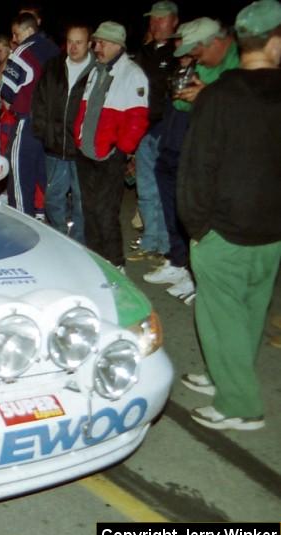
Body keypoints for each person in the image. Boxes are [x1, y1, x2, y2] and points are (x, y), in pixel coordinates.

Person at [177, 0, 281, 431]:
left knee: (221, 315)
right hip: (271, 232)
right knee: (248, 315)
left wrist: (198, 228)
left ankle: (240, 405)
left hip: (226, 230)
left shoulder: (219, 96)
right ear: (275, 43)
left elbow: (196, 168)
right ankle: (223, 370)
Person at [142, 18, 239, 302]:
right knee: (176, 208)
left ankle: (200, 281)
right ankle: (180, 264)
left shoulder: (237, 67)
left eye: (194, 50)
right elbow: (182, 102)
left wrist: (204, 96)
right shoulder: (202, 63)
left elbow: (239, 108)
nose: (191, 55)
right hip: (178, 145)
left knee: (199, 217)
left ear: (213, 43)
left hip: (210, 157)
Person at [74, 21, 149, 268]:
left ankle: (116, 265)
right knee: (90, 211)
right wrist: (79, 137)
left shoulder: (132, 74)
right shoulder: (97, 70)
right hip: (87, 152)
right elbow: (85, 109)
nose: (97, 47)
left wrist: (121, 150)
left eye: (102, 43)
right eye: (96, 42)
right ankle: (97, 262)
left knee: (106, 215)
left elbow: (138, 120)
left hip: (109, 156)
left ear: (117, 45)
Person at [32, 23, 94, 243]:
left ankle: (78, 242)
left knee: (81, 199)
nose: (73, 47)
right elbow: (39, 100)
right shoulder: (53, 66)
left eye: (79, 42)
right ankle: (60, 236)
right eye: (70, 41)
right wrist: (42, 130)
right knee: (53, 198)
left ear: (89, 44)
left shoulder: (98, 70)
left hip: (82, 150)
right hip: (55, 146)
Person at [128, 1, 179, 264]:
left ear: (174, 21)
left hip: (166, 132)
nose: (155, 24)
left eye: (161, 19)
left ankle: (168, 248)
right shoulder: (144, 52)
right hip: (142, 131)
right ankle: (151, 242)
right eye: (153, 19)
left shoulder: (179, 52)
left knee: (167, 192)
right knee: (146, 190)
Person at [0, 12, 60, 217]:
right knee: (47, 176)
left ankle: (22, 221)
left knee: (20, 175)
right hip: (51, 124)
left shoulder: (21, 53)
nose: (14, 39)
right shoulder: (55, 50)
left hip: (27, 122)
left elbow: (7, 92)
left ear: (28, 30)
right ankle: (61, 219)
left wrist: (10, 104)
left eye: (16, 34)